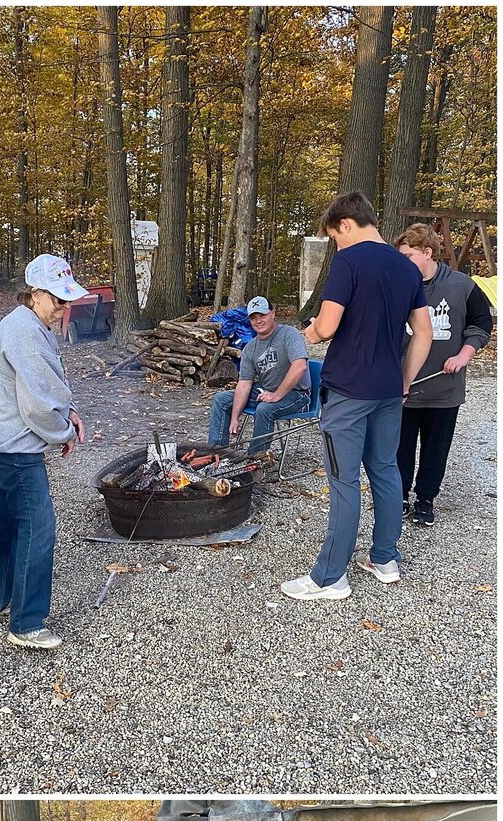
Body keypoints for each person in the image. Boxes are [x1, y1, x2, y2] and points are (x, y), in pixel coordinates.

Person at [282, 191, 432, 601]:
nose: (336, 245)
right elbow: (424, 334)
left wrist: (307, 332)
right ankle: (385, 558)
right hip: (387, 390)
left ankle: (330, 577)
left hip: (349, 390)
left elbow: (327, 327)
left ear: (345, 224)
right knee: (385, 469)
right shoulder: (407, 268)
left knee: (344, 480)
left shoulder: (349, 260)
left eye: (334, 237)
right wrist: (404, 379)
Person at [0, 255, 88, 651]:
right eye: (58, 300)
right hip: (14, 446)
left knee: (9, 521)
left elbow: (51, 384)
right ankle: (27, 622)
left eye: (67, 301)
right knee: (39, 529)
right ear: (35, 294)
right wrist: (64, 431)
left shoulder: (32, 325)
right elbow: (36, 405)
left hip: (3, 442)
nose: (63, 308)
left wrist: (68, 411)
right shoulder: (24, 331)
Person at [394, 223, 494, 525]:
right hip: (404, 388)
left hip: (444, 389)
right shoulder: (398, 286)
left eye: (409, 256)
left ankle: (425, 500)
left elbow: (481, 324)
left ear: (428, 253)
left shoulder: (462, 286)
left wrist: (464, 354)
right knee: (399, 448)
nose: (403, 263)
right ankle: (398, 497)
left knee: (436, 449)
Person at [207, 296, 311, 452]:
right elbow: (244, 384)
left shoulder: (289, 334)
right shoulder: (250, 348)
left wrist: (276, 395)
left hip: (297, 395)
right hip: (266, 391)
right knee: (221, 399)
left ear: (272, 313)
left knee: (264, 409)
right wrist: (235, 417)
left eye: (262, 315)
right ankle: (216, 454)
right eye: (253, 317)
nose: (258, 321)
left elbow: (300, 367)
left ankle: (254, 462)